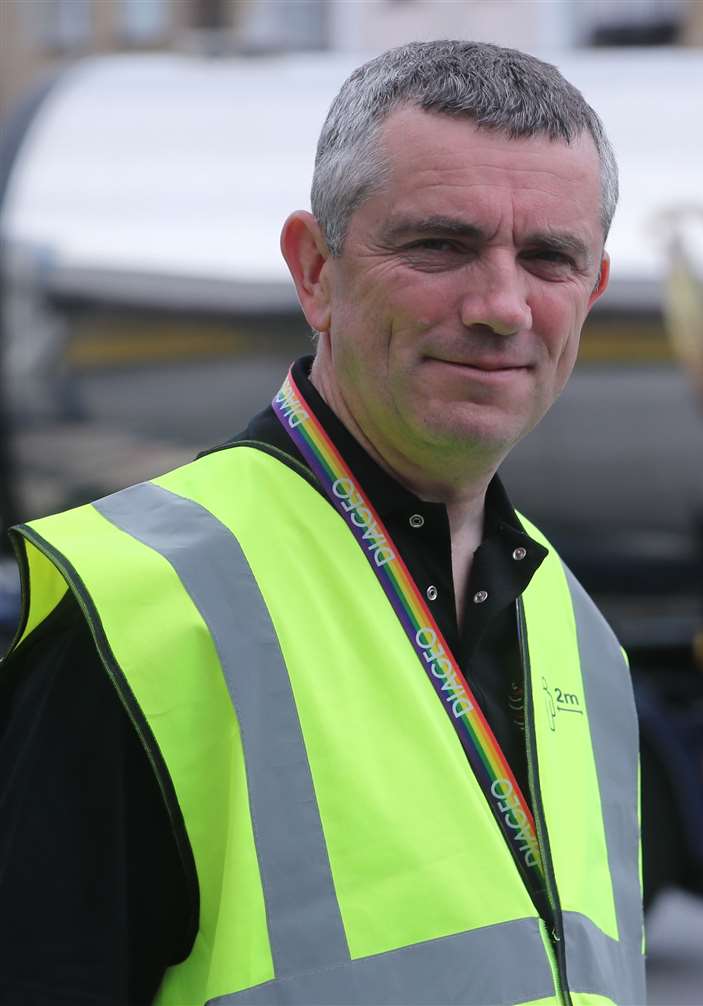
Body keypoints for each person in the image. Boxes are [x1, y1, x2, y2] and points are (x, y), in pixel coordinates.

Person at [0, 41, 646, 1005]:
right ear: (314, 271)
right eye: (440, 245)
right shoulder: (136, 611)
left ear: (590, 293)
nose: (503, 307)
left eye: (550, 258)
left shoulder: (577, 628)